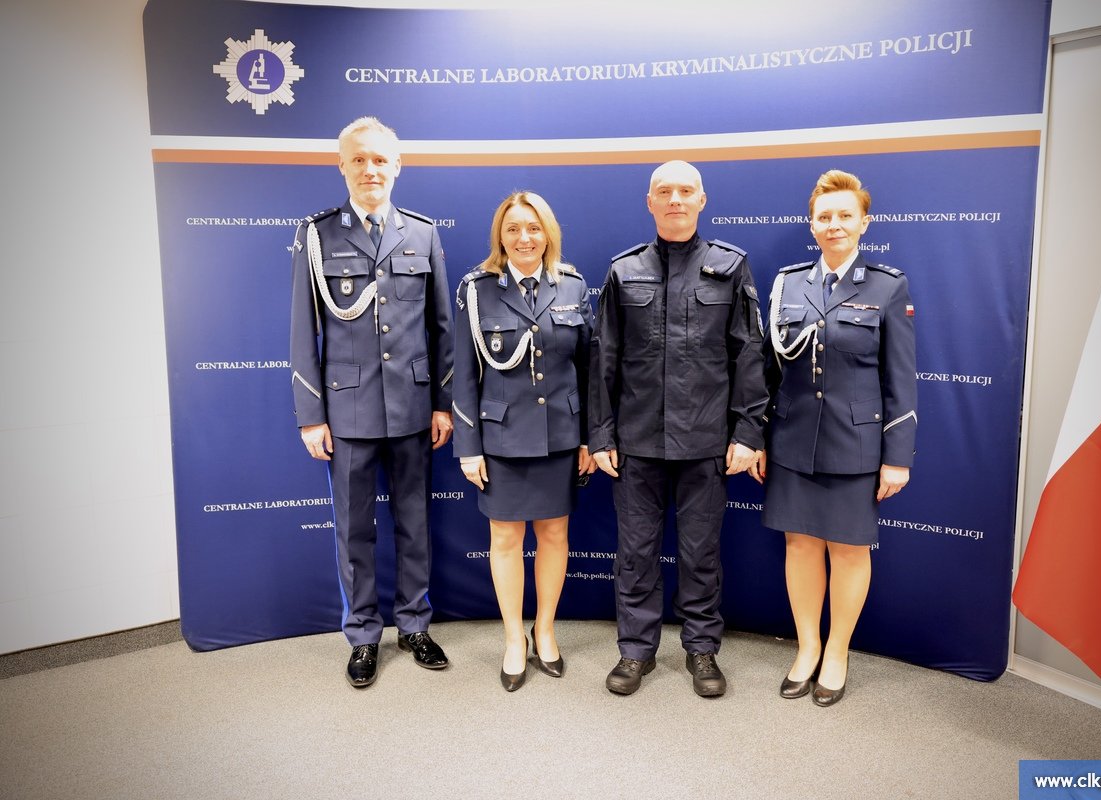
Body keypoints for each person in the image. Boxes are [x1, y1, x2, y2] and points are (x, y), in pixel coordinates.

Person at [589, 160, 768, 697]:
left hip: (706, 441)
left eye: (685, 191)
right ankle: (635, 651)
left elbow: (748, 353)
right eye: (664, 191)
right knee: (635, 554)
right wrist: (600, 434)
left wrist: (749, 431)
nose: (675, 200)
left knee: (700, 554)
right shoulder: (624, 270)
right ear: (650, 203)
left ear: (701, 200)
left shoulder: (730, 266)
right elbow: (604, 359)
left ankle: (702, 648)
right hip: (637, 442)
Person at [289, 116, 454, 688]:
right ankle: (362, 634)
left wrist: (442, 403)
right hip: (348, 409)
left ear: (397, 166)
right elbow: (302, 329)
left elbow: (442, 328)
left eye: (380, 159)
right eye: (358, 159)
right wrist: (311, 415)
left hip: (412, 406)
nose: (370, 169)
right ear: (342, 166)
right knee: (354, 529)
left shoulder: (422, 234)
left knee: (415, 522)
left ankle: (414, 625)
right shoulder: (317, 237)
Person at [753, 169, 917, 706]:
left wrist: (897, 457)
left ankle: (838, 653)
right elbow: (768, 371)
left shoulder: (887, 286)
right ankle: (807, 648)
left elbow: (901, 378)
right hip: (792, 439)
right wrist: (757, 438)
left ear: (864, 222)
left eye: (846, 215)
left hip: (855, 443)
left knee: (848, 550)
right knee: (800, 545)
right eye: (824, 216)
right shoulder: (788, 284)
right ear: (812, 224)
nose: (834, 225)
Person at [452, 191, 596, 692]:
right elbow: (463, 374)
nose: (524, 238)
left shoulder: (573, 286)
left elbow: (590, 370)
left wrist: (590, 439)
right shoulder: (476, 290)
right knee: (506, 539)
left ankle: (545, 629)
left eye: (533, 228)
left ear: (548, 233)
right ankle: (514, 638)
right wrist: (468, 446)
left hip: (561, 435)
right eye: (512, 228)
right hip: (501, 437)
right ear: (500, 236)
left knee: (554, 535)